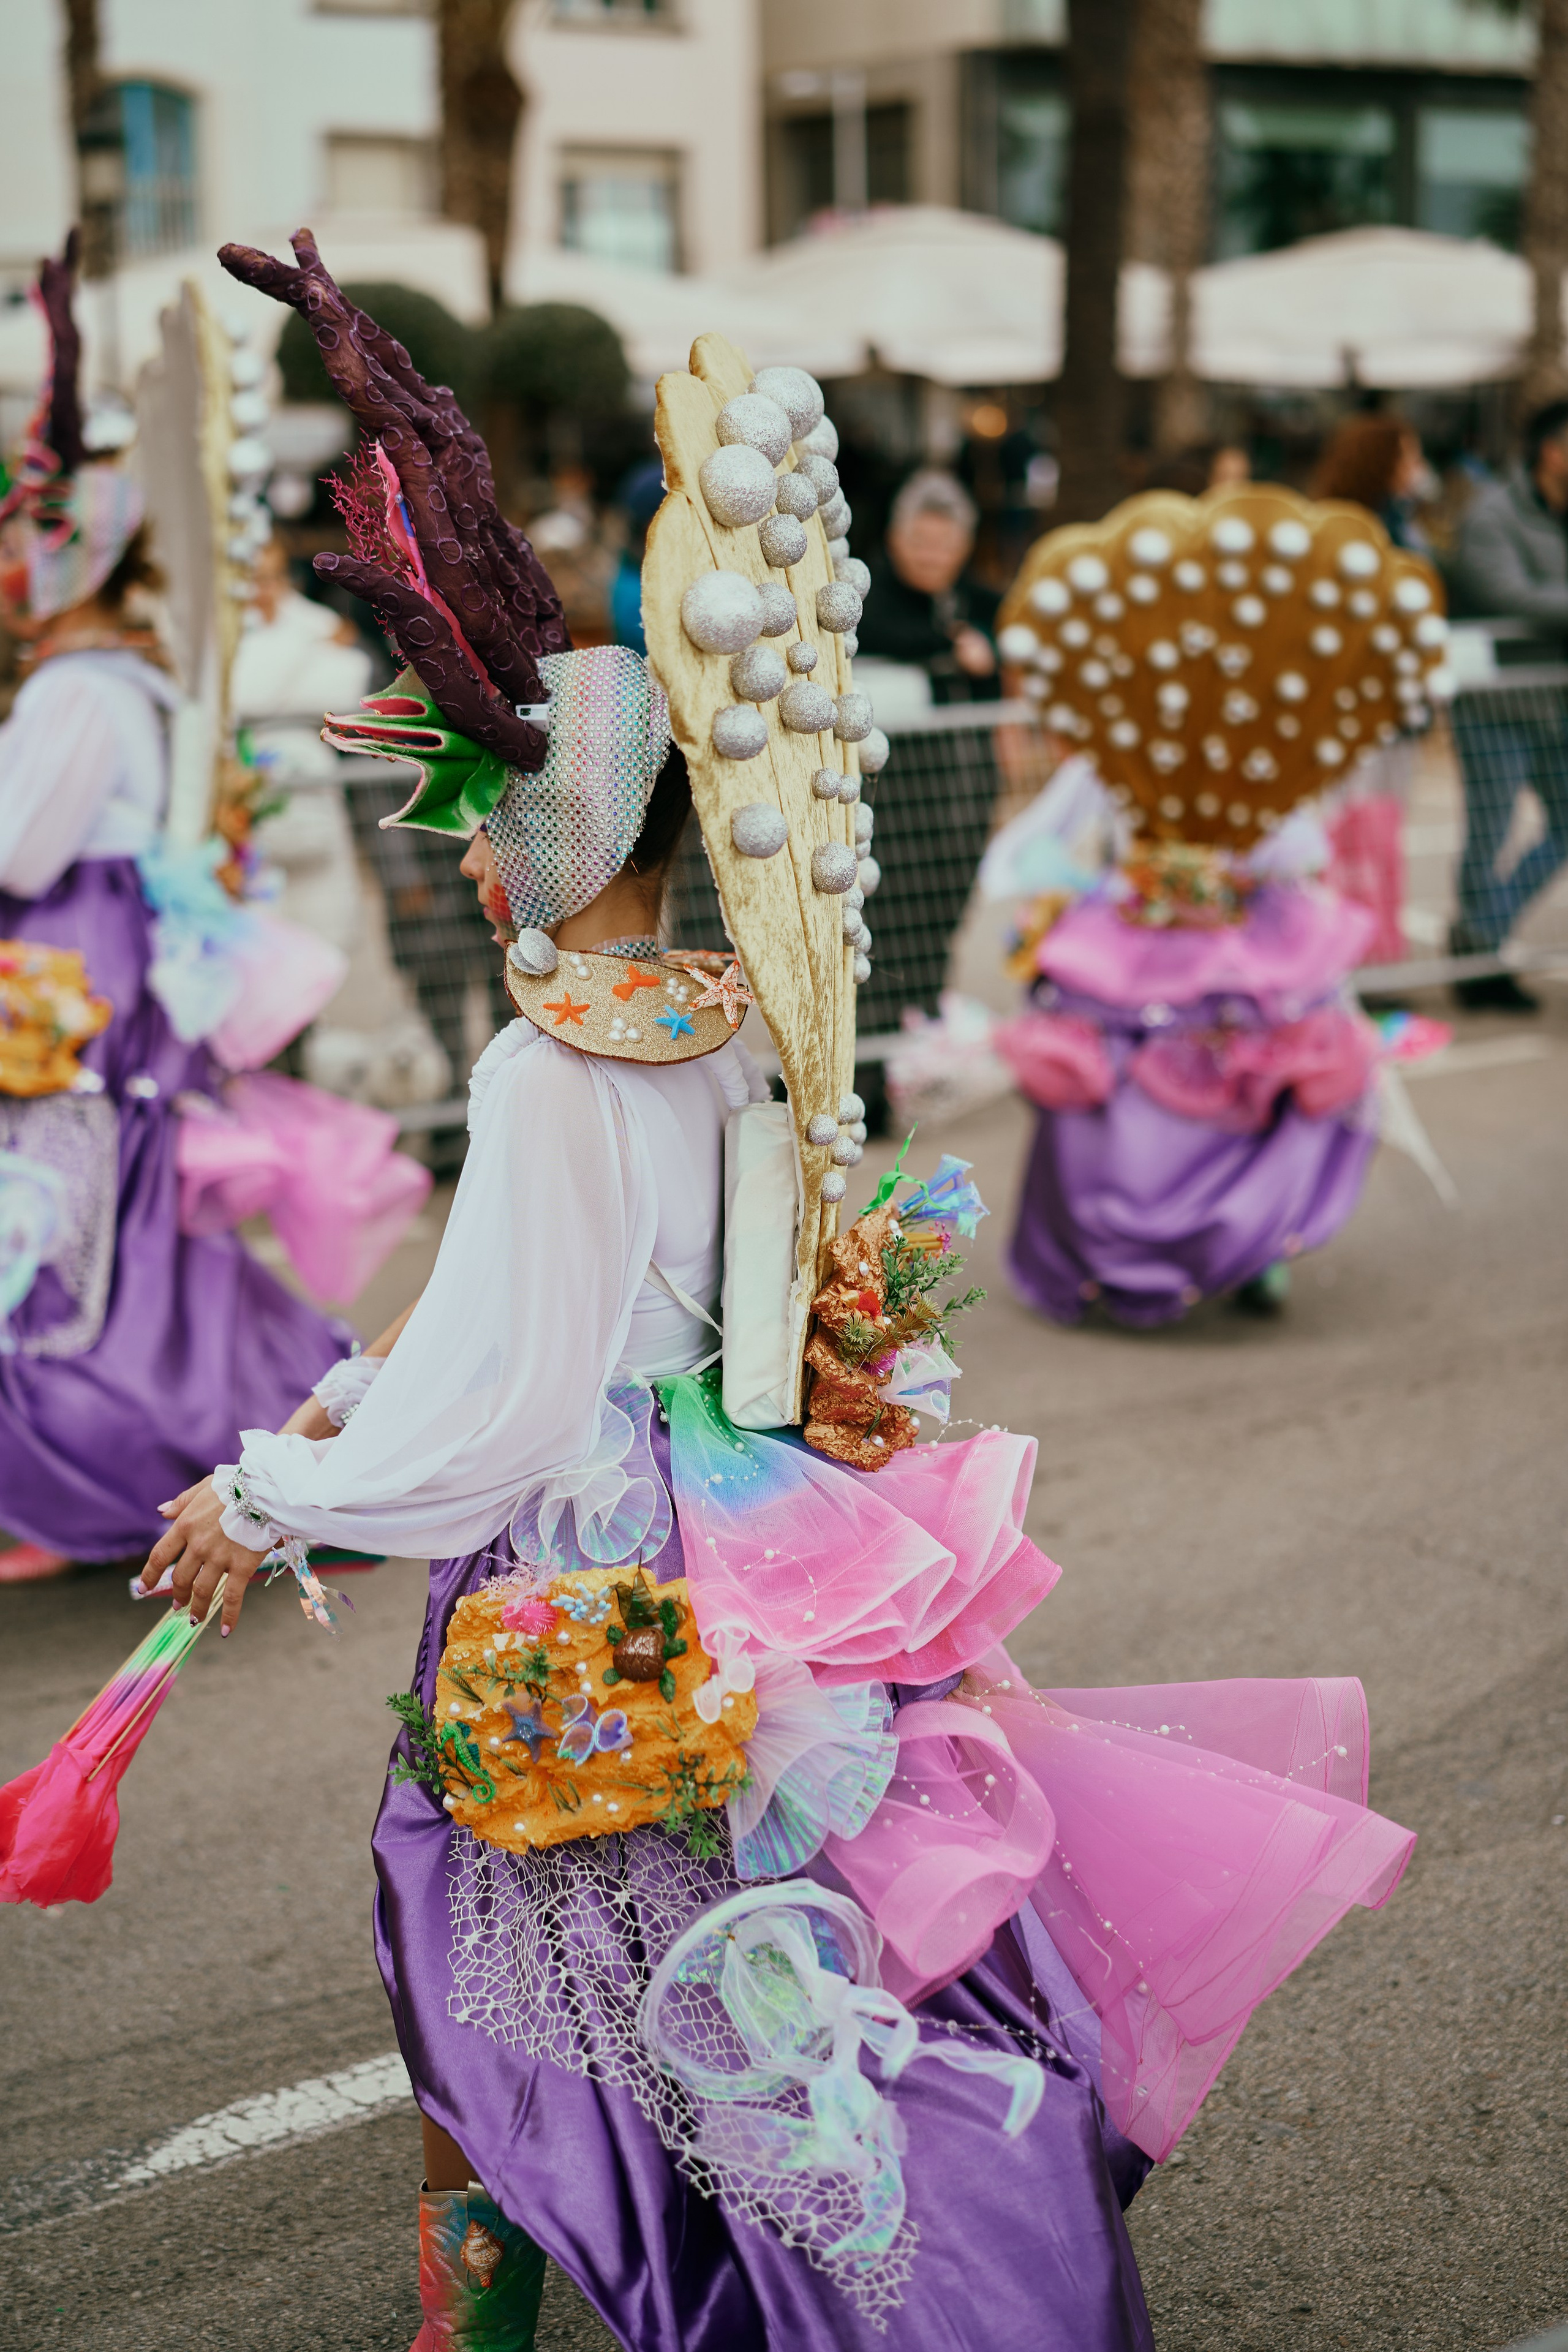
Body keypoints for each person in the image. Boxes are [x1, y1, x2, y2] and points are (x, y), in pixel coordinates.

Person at [141, 244, 1415, 2352]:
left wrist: (272, 1493)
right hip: (750, 1518)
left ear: (552, 833)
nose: (457, 860)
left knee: (482, 1894)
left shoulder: (545, 1066)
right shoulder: (724, 1014)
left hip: (600, 1555)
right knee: (784, 1917)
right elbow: (560, 1306)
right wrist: (370, 1389)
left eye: (477, 819)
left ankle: (546, 2270)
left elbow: (513, 1386)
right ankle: (621, 2246)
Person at [0, 236, 351, 1583]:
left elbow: (22, 853)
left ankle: (84, 1468)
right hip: (114, 969)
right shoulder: (126, 687)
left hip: (67, 975)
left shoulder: (75, 694)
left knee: (67, 1215)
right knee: (118, 1210)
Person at [1446, 398, 1568, 1009]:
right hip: (1494, 705)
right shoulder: (1492, 514)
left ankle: (1478, 935)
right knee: (1488, 832)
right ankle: (1479, 957)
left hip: (1554, 700)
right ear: (1553, 452)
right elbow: (1504, 593)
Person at [1310, 415, 1437, 968]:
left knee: (1380, 832)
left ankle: (1373, 944)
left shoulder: (1405, 523)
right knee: (1345, 833)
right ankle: (1342, 947)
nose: (1417, 471)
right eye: (1408, 458)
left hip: (1397, 707)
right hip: (1354, 707)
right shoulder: (1347, 531)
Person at [854, 468, 1001, 703]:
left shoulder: (981, 601)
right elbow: (875, 633)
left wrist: (987, 647)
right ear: (894, 540)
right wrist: (950, 642)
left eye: (945, 545)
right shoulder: (865, 595)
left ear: (966, 547)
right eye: (920, 543)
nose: (931, 558)